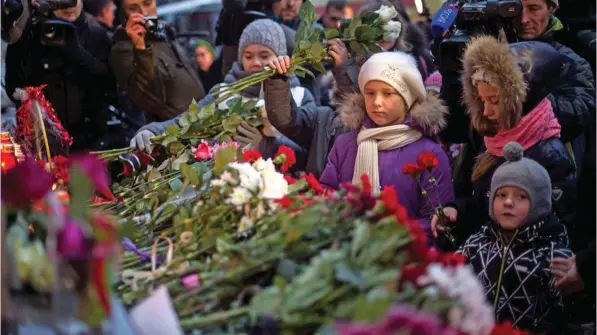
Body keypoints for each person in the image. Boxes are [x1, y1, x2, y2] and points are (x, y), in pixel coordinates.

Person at [430, 36, 577, 246]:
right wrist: (457, 210)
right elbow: (483, 202)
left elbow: (558, 223)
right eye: (481, 100)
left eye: (494, 100)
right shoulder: (492, 135)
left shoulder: (549, 154)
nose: (487, 111)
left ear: (521, 100)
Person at [313, 51, 453, 238]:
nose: (377, 102)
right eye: (370, 93)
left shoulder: (429, 153)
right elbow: (327, 195)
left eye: (388, 94)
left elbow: (435, 221)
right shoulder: (345, 145)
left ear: (407, 98)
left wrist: (384, 234)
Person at [130, 19, 314, 161]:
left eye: (264, 55)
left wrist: (268, 147)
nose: (256, 62)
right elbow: (184, 123)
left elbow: (313, 150)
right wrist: (153, 131)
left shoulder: (299, 96)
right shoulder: (224, 92)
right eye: (248, 56)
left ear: (280, 56)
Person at [457, 141, 573, 332]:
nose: (508, 202)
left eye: (521, 196)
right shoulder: (477, 242)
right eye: (501, 195)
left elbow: (565, 308)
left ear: (540, 203)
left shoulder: (552, 251)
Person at [5, 0, 113, 152]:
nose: (69, 6)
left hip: (89, 144)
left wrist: (76, 52)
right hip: (42, 147)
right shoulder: (26, 36)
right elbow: (13, 85)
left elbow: (109, 86)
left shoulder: (97, 35)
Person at [109, 0, 205, 123]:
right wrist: (140, 48)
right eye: (133, 8)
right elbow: (151, 99)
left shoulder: (163, 34)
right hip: (174, 131)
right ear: (123, 14)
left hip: (201, 122)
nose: (143, 12)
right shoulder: (123, 49)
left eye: (148, 4)